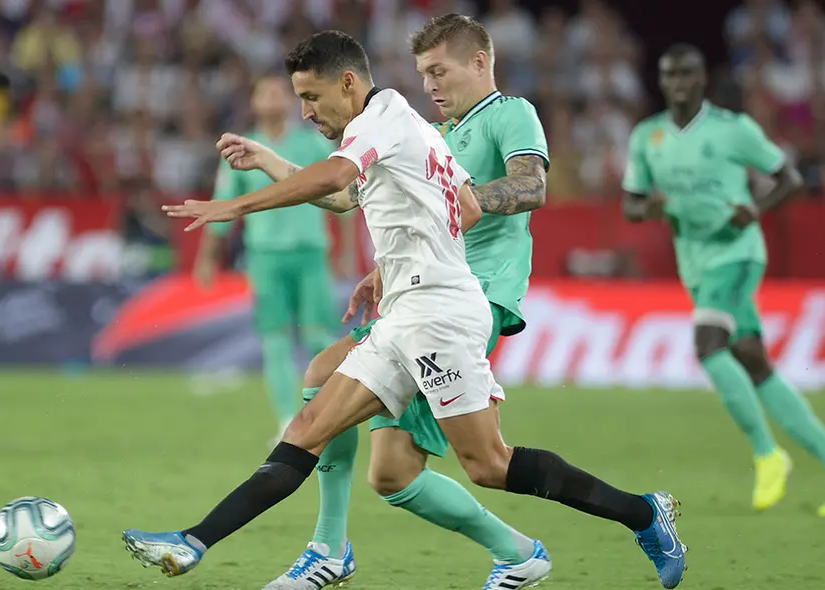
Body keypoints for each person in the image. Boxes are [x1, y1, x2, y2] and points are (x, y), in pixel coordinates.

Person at [124, 30, 684, 590]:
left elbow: (343, 178)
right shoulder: (415, 130)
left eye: (312, 98)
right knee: (313, 418)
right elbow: (440, 202)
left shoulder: (390, 116)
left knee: (488, 464)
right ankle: (197, 540)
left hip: (442, 312)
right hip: (407, 308)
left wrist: (236, 207)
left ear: (348, 82)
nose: (306, 111)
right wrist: (392, 255)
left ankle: (639, 514)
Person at [623, 43, 825, 515]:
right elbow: (630, 204)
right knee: (753, 359)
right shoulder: (647, 136)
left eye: (686, 75)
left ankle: (767, 454)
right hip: (693, 259)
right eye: (669, 75)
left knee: (709, 345)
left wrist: (756, 210)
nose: (677, 83)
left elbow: (790, 179)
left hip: (738, 253)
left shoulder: (733, 131)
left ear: (701, 80)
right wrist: (648, 207)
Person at [195, 74, 349, 443]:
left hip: (311, 253)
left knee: (319, 339)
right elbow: (225, 205)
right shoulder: (242, 150)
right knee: (276, 341)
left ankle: (337, 413)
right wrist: (206, 257)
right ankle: (286, 420)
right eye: (264, 92)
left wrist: (346, 251)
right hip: (265, 258)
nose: (272, 98)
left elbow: (344, 195)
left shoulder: (312, 144)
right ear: (254, 102)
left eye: (279, 92)